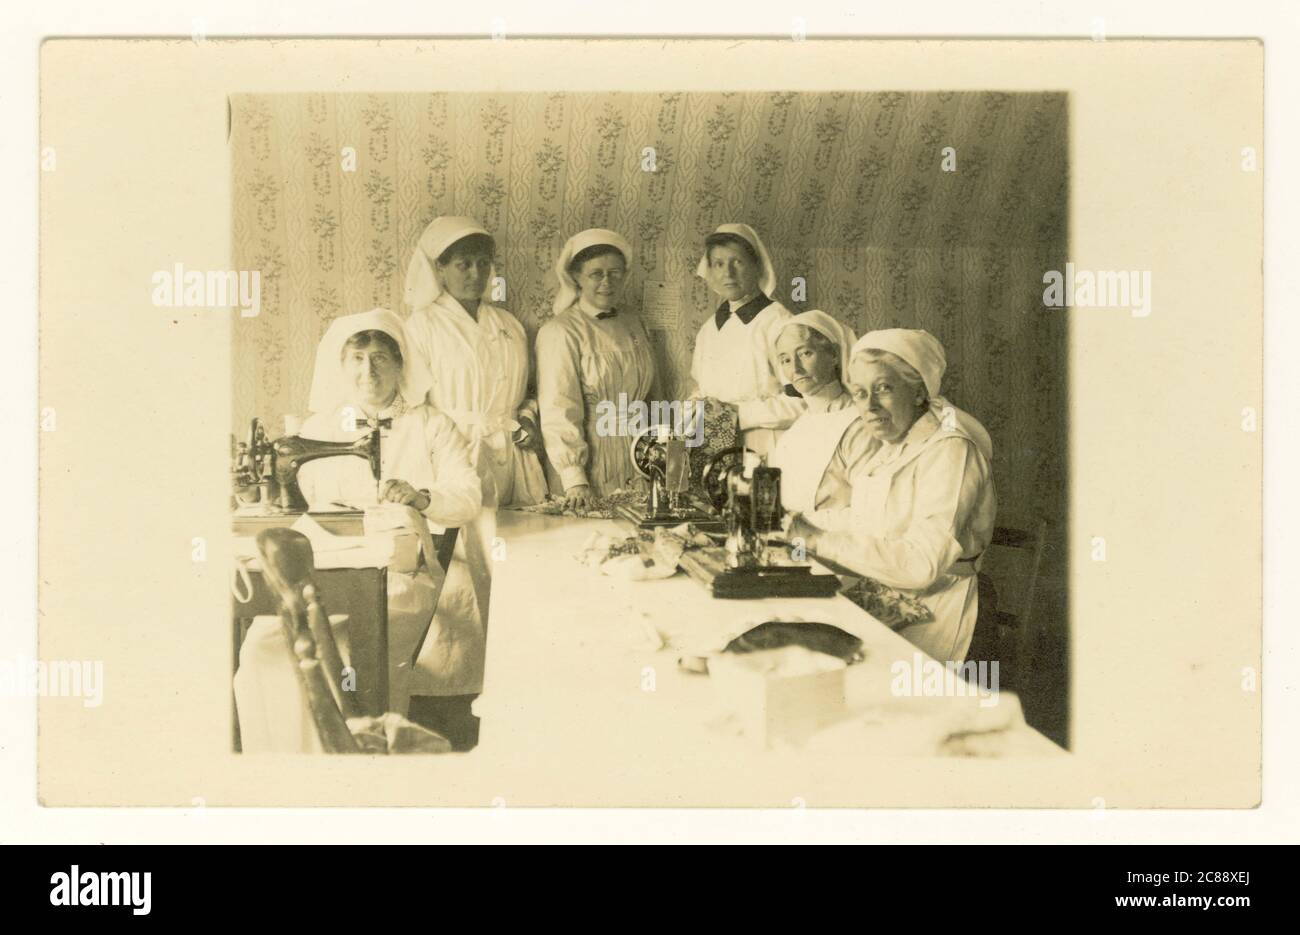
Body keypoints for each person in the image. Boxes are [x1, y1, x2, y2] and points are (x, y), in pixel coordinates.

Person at [295, 310, 486, 726]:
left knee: (367, 644)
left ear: (401, 364)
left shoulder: (432, 425)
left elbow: (469, 495)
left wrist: (422, 498)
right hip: (333, 563)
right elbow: (306, 493)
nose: (369, 370)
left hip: (405, 571)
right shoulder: (320, 427)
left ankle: (376, 738)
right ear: (341, 366)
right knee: (274, 638)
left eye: (381, 357)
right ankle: (305, 742)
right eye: (357, 358)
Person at [786, 329, 996, 664]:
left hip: (942, 610)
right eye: (858, 393)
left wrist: (819, 540)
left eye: (883, 388)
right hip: (890, 598)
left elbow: (921, 565)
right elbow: (865, 518)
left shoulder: (951, 450)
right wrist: (794, 521)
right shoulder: (892, 448)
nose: (868, 407)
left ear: (917, 392)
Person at [402, 215, 548, 509]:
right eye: (463, 264)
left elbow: (529, 392)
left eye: (483, 263)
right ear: (440, 268)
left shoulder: (509, 324)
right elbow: (413, 406)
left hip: (513, 455)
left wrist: (528, 418)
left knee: (522, 536)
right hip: (454, 453)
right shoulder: (422, 325)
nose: (475, 274)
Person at [536, 228, 656, 510]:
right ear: (576, 277)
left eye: (615, 273)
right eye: (596, 274)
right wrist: (574, 477)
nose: (607, 282)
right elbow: (558, 407)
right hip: (590, 461)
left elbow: (652, 394)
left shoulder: (634, 322)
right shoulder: (560, 331)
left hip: (637, 457)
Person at [689, 222, 804, 456]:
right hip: (714, 453)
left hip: (766, 448)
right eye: (719, 264)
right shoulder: (709, 329)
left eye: (737, 262)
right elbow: (701, 391)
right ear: (709, 270)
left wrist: (735, 414)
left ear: (756, 266)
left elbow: (802, 403)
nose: (728, 273)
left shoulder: (779, 322)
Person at [766, 310, 870, 517]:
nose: (795, 368)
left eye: (805, 353)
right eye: (785, 360)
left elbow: (867, 510)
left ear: (833, 355)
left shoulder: (860, 424)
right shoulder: (794, 432)